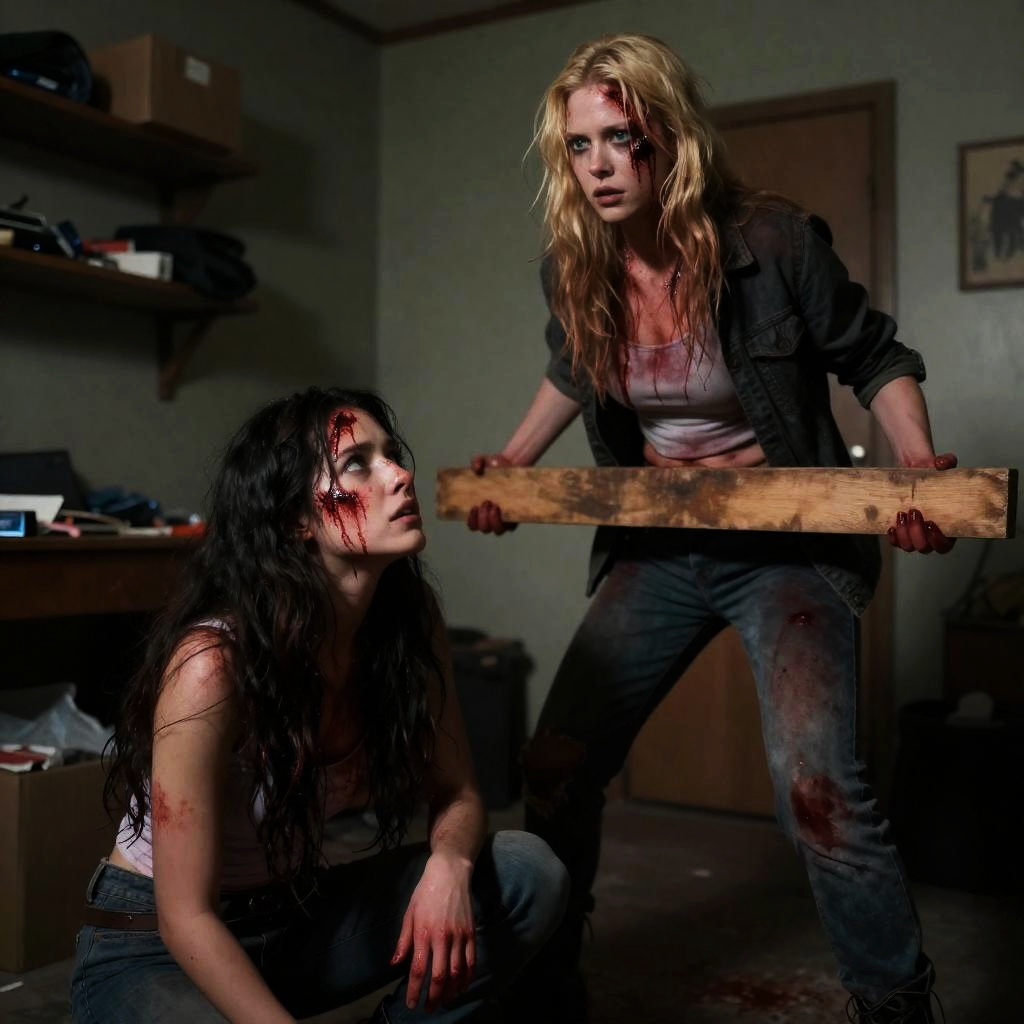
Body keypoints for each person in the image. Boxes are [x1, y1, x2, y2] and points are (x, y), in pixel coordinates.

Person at [467, 33, 953, 1024]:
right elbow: (572, 367)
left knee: (818, 788)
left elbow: (873, 356)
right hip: (658, 545)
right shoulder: (575, 266)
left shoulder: (773, 243)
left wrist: (915, 472)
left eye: (621, 138)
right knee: (555, 764)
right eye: (578, 146)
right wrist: (512, 465)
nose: (599, 165)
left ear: (670, 138)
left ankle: (895, 1003)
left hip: (786, 549)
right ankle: (545, 983)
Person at [71, 386, 568, 1024]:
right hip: (153, 946)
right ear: (296, 520)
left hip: (291, 921)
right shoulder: (212, 665)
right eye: (358, 463)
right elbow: (185, 918)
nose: (400, 474)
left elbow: (459, 792)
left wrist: (449, 863)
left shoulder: (411, 623)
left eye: (392, 454)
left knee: (526, 871)